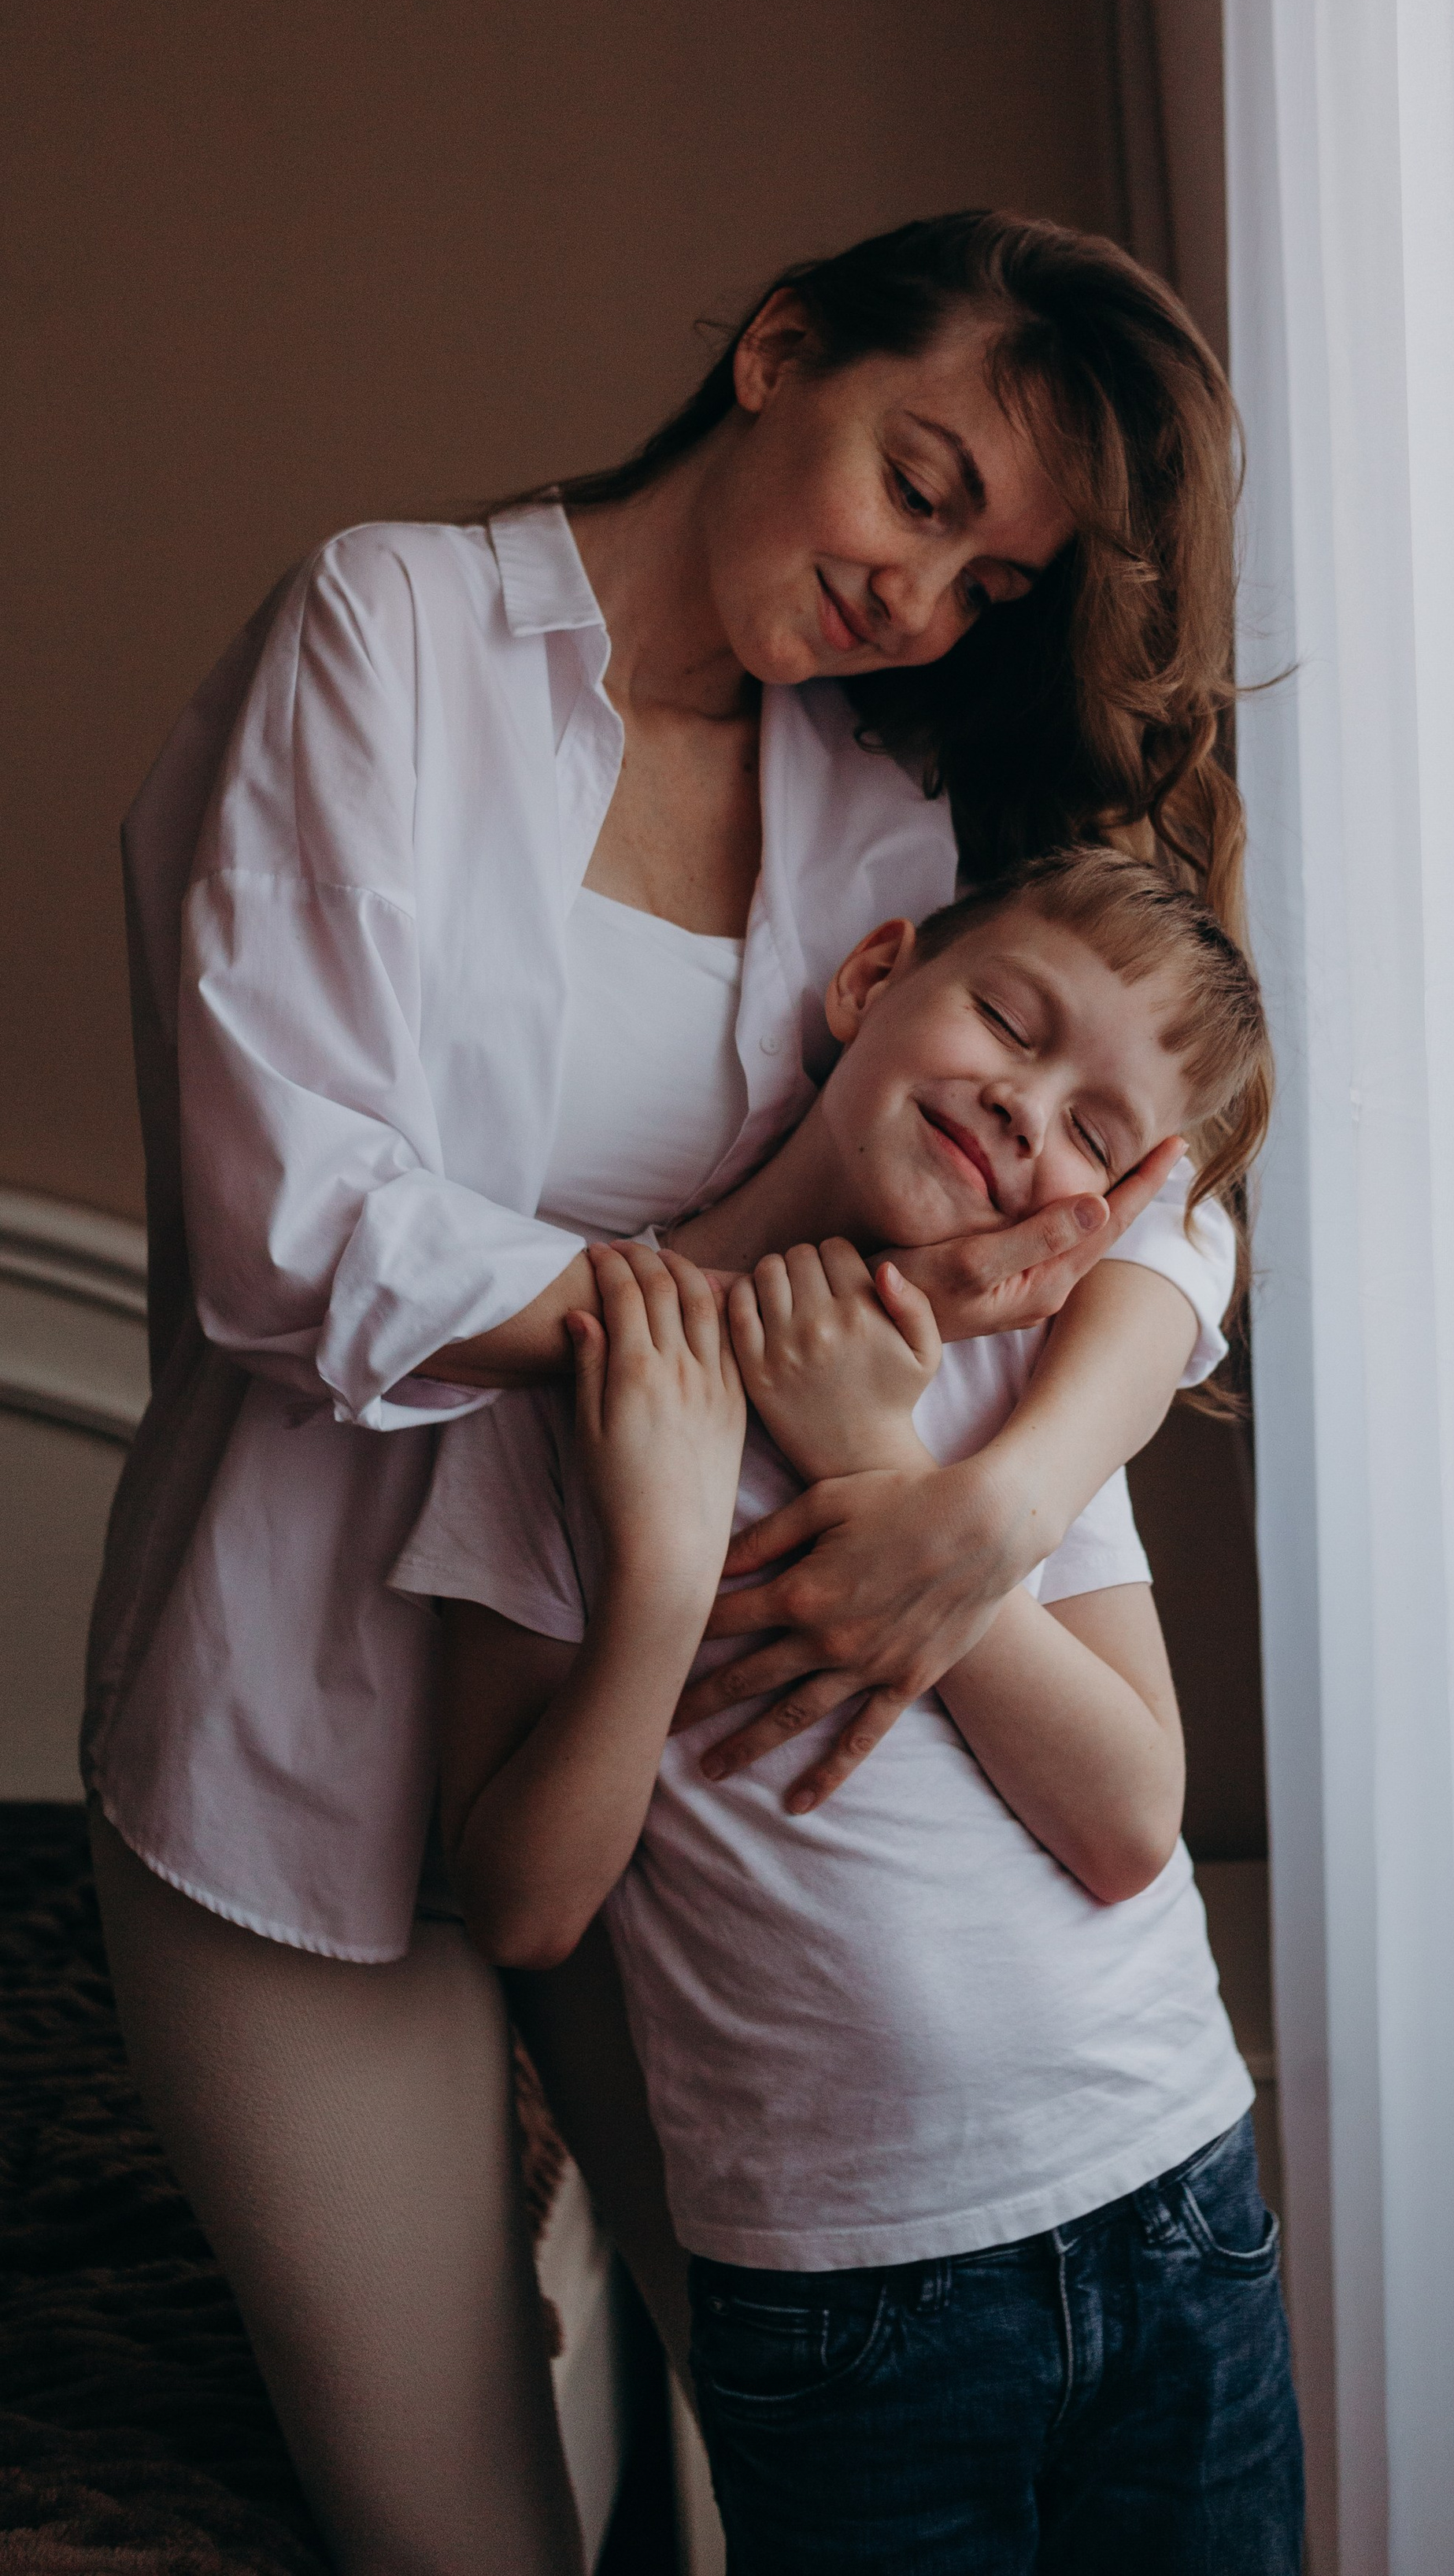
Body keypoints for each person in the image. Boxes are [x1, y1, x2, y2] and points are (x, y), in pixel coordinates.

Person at [83, 213, 1249, 2574]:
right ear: (776, 351)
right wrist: (745, 1335)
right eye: (921, 490)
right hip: (307, 1747)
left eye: (992, 578)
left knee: (826, 2473)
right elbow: (286, 1225)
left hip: (694, 1806)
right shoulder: (391, 633)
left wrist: (1010, 1492)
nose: (929, 599)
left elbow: (1157, 1206)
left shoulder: (883, 818)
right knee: (464, 2536)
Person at [394, 849, 1303, 2573]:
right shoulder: (582, 1384)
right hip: (845, 2298)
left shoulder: (1030, 1384)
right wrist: (661, 1576)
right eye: (1007, 1023)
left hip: (1171, 2188)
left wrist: (878, 1459)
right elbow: (519, 1901)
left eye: (1095, 1135)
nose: (1025, 1110)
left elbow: (1123, 1822)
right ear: (870, 973)